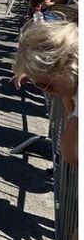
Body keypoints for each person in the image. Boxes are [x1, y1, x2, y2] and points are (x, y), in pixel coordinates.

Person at [12, 20, 78, 167]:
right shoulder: (72, 75)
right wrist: (33, 74)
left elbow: (73, 156)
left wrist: (74, 117)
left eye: (45, 85)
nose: (45, 91)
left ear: (67, 67)